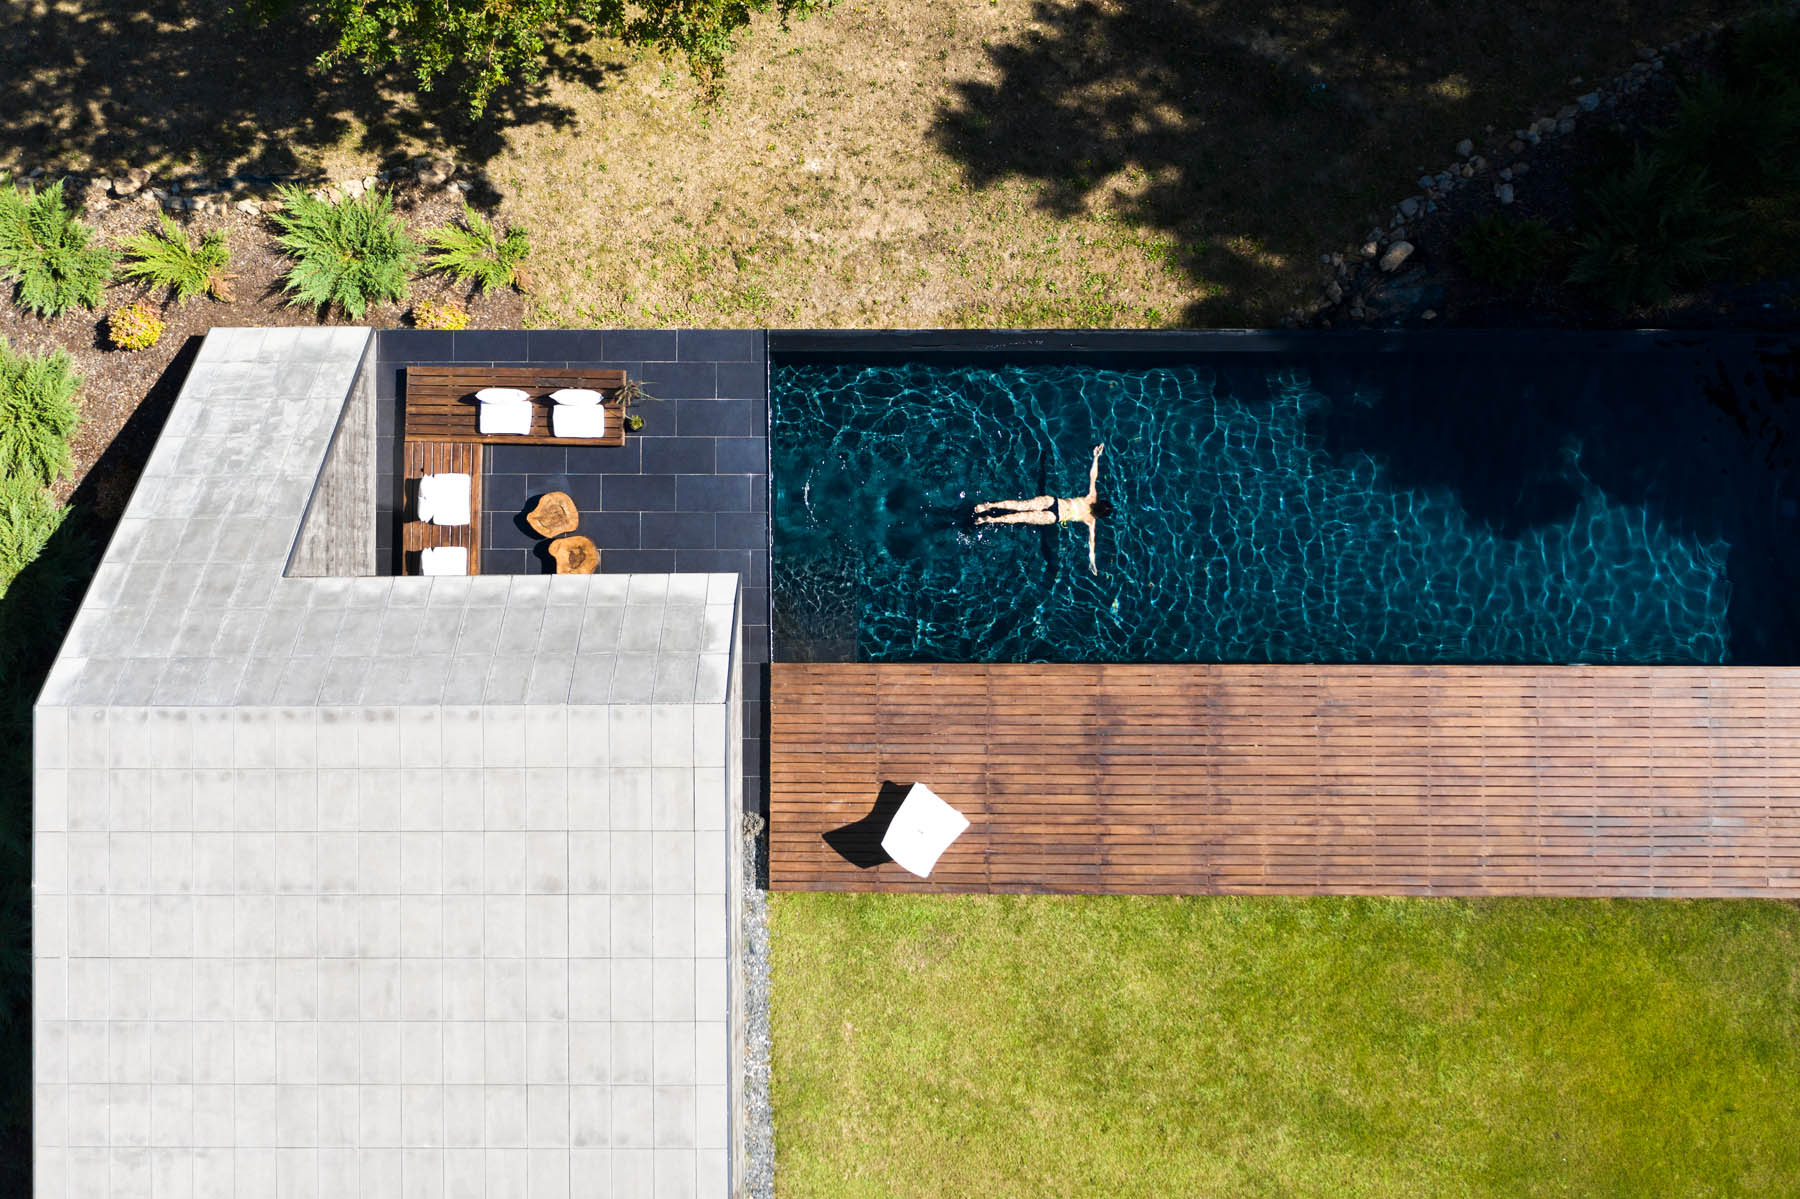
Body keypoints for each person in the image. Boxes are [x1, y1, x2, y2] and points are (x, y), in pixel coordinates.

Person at [974, 443, 1110, 574]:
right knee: (1019, 518)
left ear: (1099, 502)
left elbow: (1093, 476)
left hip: (1052, 502)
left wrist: (1096, 456)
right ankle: (989, 519)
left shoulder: (1092, 497)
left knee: (1020, 505)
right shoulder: (1091, 520)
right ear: (1100, 515)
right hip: (1054, 517)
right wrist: (1092, 562)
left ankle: (989, 505)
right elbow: (1091, 542)